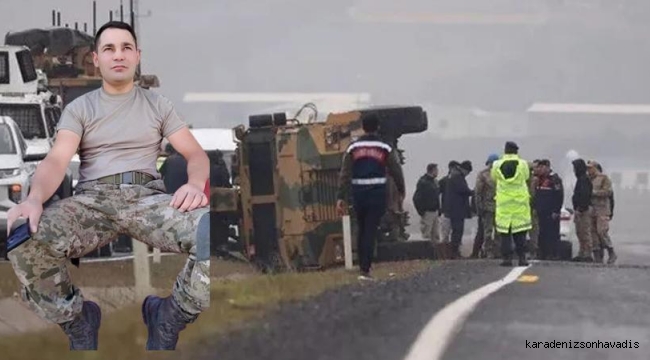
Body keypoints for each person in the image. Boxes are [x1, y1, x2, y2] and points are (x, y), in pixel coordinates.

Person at [5, 21, 210, 351]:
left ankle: (170, 315)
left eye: (126, 48)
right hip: (92, 203)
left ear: (137, 57)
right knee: (23, 239)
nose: (118, 56)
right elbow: (56, 160)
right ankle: (77, 319)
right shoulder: (79, 110)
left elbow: (195, 154)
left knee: (207, 230)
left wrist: (196, 184)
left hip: (148, 201)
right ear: (96, 59)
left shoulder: (158, 106)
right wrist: (35, 199)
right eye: (109, 49)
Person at [336, 113, 405, 280]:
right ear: (378, 127)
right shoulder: (384, 147)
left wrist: (340, 197)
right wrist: (401, 189)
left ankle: (362, 267)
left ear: (363, 127)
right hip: (377, 193)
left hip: (358, 194)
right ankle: (366, 268)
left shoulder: (353, 148)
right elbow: (396, 169)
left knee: (361, 228)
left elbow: (345, 173)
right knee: (371, 229)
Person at [491, 141, 531, 266]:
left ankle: (507, 259)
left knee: (505, 235)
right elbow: (526, 176)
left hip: (504, 205)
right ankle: (522, 258)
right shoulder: (523, 164)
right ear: (516, 151)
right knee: (520, 234)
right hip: (519, 205)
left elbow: (494, 178)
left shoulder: (496, 165)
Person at [533, 159, 564, 260]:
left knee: (552, 233)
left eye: (542, 167)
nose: (540, 169)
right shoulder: (538, 179)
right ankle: (542, 252)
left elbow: (559, 195)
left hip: (551, 211)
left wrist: (556, 210)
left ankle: (553, 253)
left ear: (547, 167)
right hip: (541, 210)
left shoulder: (554, 179)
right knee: (541, 232)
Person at [442, 160, 474, 259]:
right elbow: (463, 190)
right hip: (457, 209)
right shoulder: (458, 177)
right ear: (465, 170)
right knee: (457, 231)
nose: (467, 174)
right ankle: (454, 252)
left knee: (456, 231)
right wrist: (473, 192)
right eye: (468, 172)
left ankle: (454, 252)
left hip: (453, 208)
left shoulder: (453, 176)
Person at [587, 160, 617, 264]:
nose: (588, 170)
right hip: (591, 209)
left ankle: (611, 252)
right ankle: (597, 255)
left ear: (595, 168)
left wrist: (594, 193)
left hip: (602, 209)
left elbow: (608, 192)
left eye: (590, 168)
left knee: (602, 231)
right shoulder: (588, 179)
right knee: (592, 233)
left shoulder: (603, 178)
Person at [472, 153, 499, 258]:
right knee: (487, 231)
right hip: (487, 207)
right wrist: (479, 207)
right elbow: (478, 192)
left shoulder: (501, 174)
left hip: (500, 207)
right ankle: (487, 251)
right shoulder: (483, 174)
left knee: (499, 232)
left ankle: (497, 251)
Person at [412, 163, 441, 254]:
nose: (437, 172)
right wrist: (421, 211)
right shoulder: (423, 182)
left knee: (436, 235)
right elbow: (416, 198)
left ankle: (435, 253)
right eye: (436, 170)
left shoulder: (435, 182)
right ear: (432, 170)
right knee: (426, 234)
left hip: (435, 211)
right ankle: (425, 254)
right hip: (427, 212)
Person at [571, 158, 594, 262]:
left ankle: (587, 253)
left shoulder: (584, 179)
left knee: (585, 232)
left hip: (583, 210)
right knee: (579, 232)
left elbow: (585, 195)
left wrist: (580, 208)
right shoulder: (581, 179)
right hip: (580, 209)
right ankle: (582, 252)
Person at [438, 160, 460, 258]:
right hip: (445, 211)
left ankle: (455, 253)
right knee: (445, 235)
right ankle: (444, 254)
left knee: (456, 233)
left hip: (456, 212)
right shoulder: (443, 181)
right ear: (451, 168)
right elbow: (436, 194)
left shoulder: (459, 180)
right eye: (456, 168)